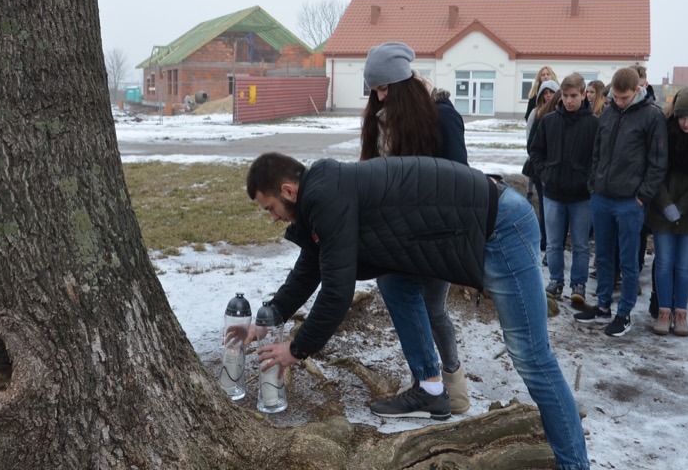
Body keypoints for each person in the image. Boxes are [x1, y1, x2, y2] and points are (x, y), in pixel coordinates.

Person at [246, 153, 591, 470]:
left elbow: (337, 292)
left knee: (532, 356)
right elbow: (312, 266)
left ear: (288, 191)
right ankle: (429, 388)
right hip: (456, 226)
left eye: (270, 208)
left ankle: (574, 464)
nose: (273, 218)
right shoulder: (320, 196)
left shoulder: (325, 196)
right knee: (395, 283)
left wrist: (296, 349)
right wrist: (270, 317)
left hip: (499, 226)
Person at [358, 42, 470, 414]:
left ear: (404, 84)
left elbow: (460, 182)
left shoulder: (442, 116)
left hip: (438, 233)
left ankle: (443, 382)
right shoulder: (379, 122)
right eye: (374, 90)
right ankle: (439, 385)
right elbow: (371, 176)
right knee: (422, 304)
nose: (379, 96)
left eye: (385, 88)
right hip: (398, 233)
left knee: (424, 302)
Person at [575, 67, 667, 336]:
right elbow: (597, 152)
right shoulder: (608, 112)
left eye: (624, 98)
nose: (619, 101)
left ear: (636, 91)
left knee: (628, 261)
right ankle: (603, 306)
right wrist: (593, 185)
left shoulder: (652, 116)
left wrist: (642, 196)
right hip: (601, 197)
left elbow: (658, 162)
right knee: (603, 256)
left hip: (630, 201)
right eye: (615, 96)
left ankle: (624, 313)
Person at [529, 73, 598, 306]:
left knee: (580, 244)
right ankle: (556, 281)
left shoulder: (594, 124)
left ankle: (578, 284)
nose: (569, 101)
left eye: (574, 96)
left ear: (583, 94)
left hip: (582, 196)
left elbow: (598, 158)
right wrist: (545, 173)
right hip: (553, 193)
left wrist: (589, 180)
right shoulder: (549, 121)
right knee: (553, 243)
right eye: (566, 96)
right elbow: (536, 151)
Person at [646, 87, 688, 336]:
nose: (686, 123)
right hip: (663, 206)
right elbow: (655, 169)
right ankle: (663, 310)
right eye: (682, 117)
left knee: (685, 265)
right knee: (663, 263)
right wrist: (665, 202)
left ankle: (680, 312)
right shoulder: (665, 133)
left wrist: (682, 207)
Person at [525, 81, 560, 253]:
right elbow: (531, 144)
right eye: (545, 93)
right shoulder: (538, 114)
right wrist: (542, 168)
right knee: (545, 207)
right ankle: (545, 241)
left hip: (558, 171)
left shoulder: (561, 114)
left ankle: (552, 242)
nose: (548, 96)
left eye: (551, 92)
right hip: (542, 171)